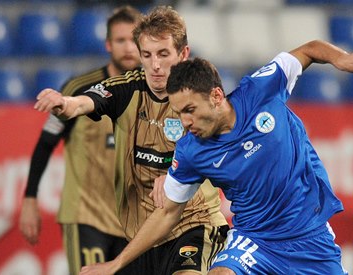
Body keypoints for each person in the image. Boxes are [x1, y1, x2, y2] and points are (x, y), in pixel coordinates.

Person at [76, 39, 353, 275]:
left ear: (216, 96)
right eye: (178, 113)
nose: (185, 122)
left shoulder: (261, 90)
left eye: (190, 110)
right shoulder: (190, 151)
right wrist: (117, 263)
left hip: (309, 237)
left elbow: (308, 50)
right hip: (254, 241)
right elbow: (167, 212)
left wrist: (341, 60)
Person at [33, 6, 229, 275]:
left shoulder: (202, 93)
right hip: (141, 236)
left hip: (194, 224)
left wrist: (177, 175)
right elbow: (86, 102)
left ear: (183, 53)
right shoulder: (126, 88)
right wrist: (65, 103)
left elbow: (221, 146)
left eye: (163, 54)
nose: (155, 65)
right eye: (146, 55)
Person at [19, 5, 142, 275]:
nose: (129, 47)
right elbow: (46, 142)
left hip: (134, 221)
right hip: (86, 216)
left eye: (134, 39)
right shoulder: (78, 89)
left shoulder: (151, 89)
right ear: (108, 44)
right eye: (121, 40)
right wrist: (29, 200)